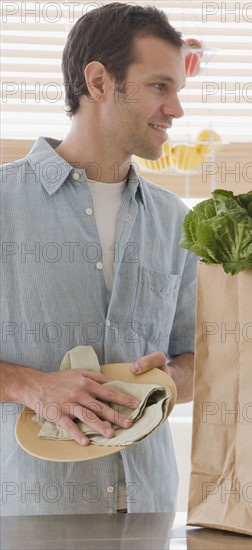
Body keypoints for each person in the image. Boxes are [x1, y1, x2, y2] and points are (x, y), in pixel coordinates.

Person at [0, 3, 196, 515]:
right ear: (98, 81)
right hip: (29, 518)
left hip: (149, 509)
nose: (176, 109)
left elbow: (199, 357)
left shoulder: (175, 221)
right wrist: (32, 387)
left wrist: (171, 379)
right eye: (160, 86)